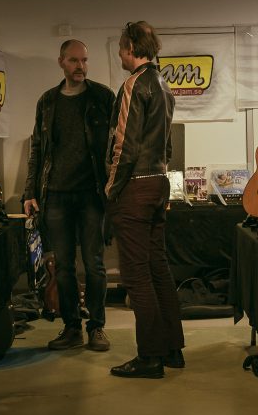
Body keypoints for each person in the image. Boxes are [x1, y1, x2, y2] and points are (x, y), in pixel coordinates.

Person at [24, 39, 115, 352]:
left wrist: (113, 186)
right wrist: (29, 192)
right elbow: (37, 149)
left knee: (94, 265)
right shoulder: (47, 102)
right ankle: (71, 327)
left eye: (85, 61)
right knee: (62, 267)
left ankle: (97, 328)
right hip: (56, 196)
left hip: (92, 195)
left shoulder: (103, 97)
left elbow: (117, 146)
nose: (81, 67)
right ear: (61, 62)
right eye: (74, 61)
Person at [105, 21, 184, 379]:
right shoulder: (165, 85)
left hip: (136, 186)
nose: (120, 53)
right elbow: (166, 145)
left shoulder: (133, 85)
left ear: (132, 47)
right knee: (158, 267)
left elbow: (124, 145)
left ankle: (150, 356)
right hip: (160, 181)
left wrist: (112, 188)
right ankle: (172, 350)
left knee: (137, 275)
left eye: (122, 47)